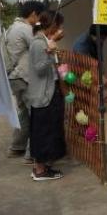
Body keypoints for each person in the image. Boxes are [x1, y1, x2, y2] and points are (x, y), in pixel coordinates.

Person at [27, 10, 67, 181]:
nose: (60, 29)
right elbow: (39, 68)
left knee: (48, 130)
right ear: (52, 26)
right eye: (58, 25)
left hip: (49, 92)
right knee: (43, 132)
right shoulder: (38, 43)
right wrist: (50, 52)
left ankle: (42, 166)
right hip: (43, 95)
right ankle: (40, 170)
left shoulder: (45, 41)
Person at [4, 0, 45, 161]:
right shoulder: (25, 29)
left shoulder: (13, 27)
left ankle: (17, 147)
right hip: (22, 76)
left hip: (15, 77)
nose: (40, 19)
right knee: (33, 114)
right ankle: (32, 153)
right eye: (40, 16)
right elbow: (39, 46)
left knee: (24, 115)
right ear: (34, 13)